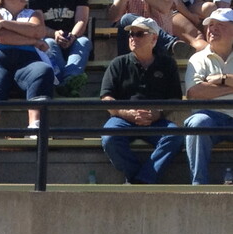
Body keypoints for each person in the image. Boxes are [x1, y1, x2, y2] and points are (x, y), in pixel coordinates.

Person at [100, 16, 185, 183]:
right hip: (122, 119)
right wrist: (127, 114)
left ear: (154, 38)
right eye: (131, 34)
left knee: (174, 136)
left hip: (156, 121)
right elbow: (106, 97)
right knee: (110, 137)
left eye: (139, 34)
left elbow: (175, 98)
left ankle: (141, 179)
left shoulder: (167, 64)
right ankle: (140, 178)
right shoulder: (118, 63)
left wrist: (157, 114)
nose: (132, 38)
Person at [0, 0, 56, 132]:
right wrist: (32, 41)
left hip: (28, 63)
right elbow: (0, 36)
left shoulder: (35, 14)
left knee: (43, 71)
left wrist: (4, 24)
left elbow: (38, 31)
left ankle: (35, 126)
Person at [183, 8, 233, 183]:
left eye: (220, 25)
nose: (212, 29)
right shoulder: (197, 59)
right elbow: (194, 93)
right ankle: (198, 185)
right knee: (197, 123)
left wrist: (222, 79)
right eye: (210, 25)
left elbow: (203, 89)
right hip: (209, 116)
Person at [31, 0, 92, 96]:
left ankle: (68, 80)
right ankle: (69, 83)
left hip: (73, 38)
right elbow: (38, 25)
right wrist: (54, 34)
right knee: (49, 43)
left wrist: (72, 36)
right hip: (49, 37)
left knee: (84, 41)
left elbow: (82, 21)